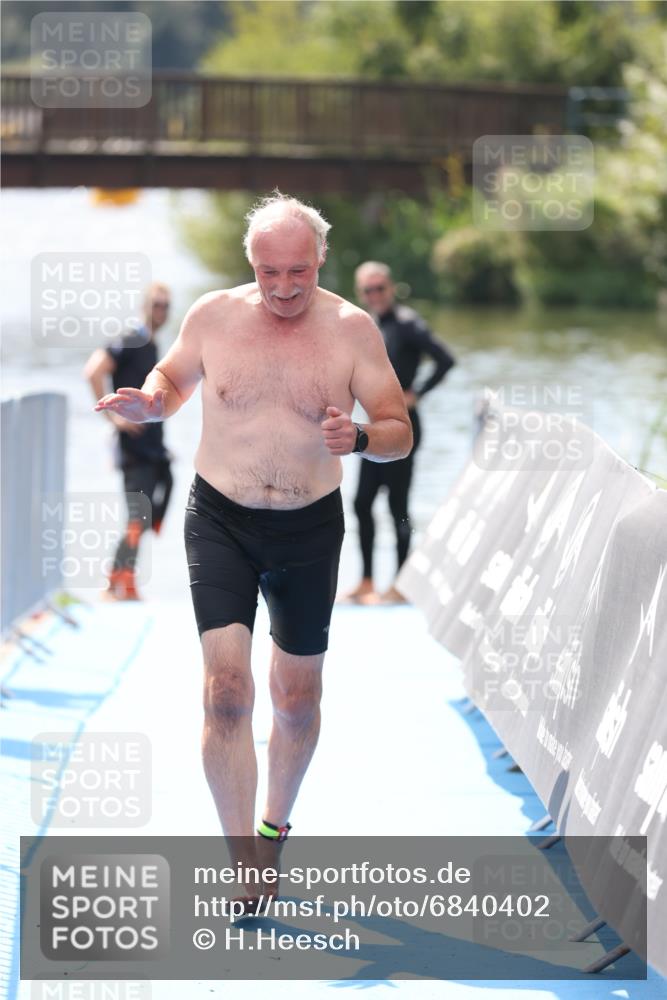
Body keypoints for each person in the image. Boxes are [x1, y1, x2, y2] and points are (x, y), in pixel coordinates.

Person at [94, 193, 412, 910]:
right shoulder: (213, 315)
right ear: (251, 263)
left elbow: (398, 429)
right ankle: (244, 859)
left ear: (320, 259)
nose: (284, 287)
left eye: (297, 271)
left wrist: (359, 439)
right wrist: (150, 403)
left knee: (295, 700)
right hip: (222, 519)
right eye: (269, 272)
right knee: (227, 690)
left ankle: (273, 825)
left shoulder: (352, 330)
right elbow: (171, 379)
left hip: (308, 526)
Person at [343, 261, 456, 605]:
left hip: (404, 428)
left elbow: (445, 360)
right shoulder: (368, 325)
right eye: (368, 290)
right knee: (361, 502)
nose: (375, 295)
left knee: (398, 507)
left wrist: (417, 393)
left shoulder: (407, 324)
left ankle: (402, 583)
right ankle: (366, 581)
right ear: (360, 293)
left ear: (391, 288)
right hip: (373, 428)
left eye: (380, 288)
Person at [84, 282, 173, 600]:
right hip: (133, 447)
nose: (161, 310)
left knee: (148, 513)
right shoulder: (131, 339)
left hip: (152, 447)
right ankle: (115, 582)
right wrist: (114, 419)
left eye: (166, 305)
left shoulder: (150, 344)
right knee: (138, 516)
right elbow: (93, 371)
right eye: (157, 304)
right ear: (144, 305)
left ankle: (125, 580)